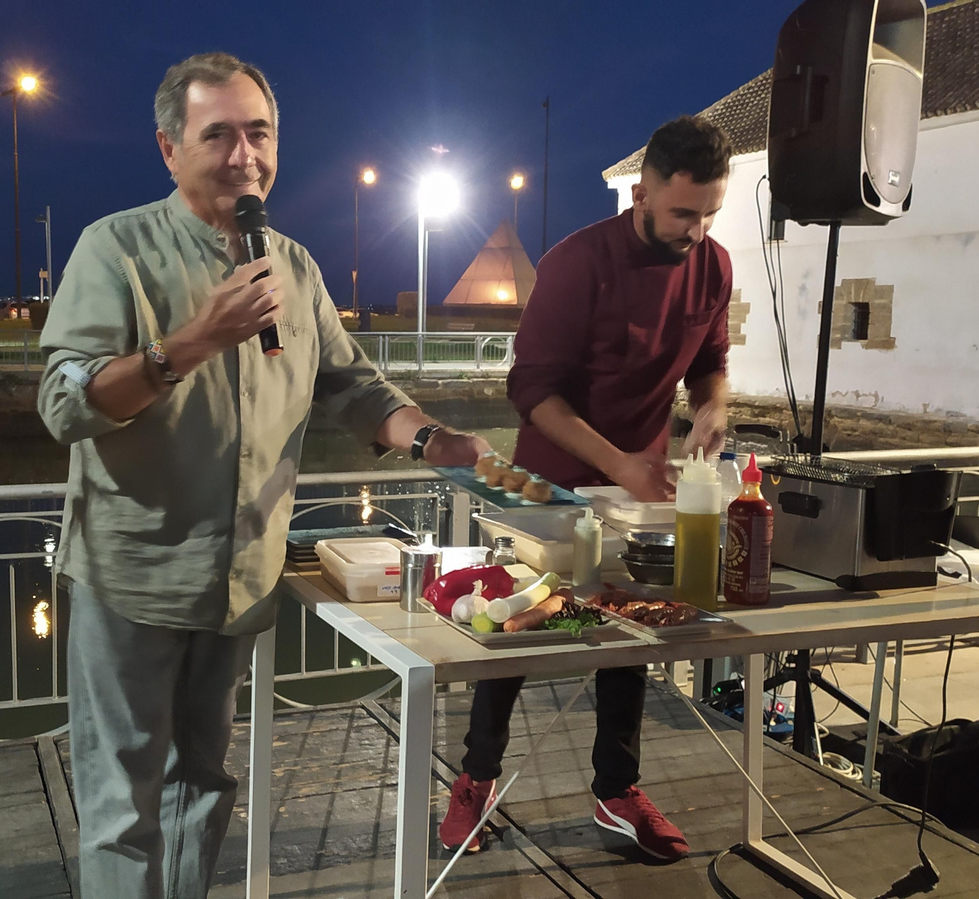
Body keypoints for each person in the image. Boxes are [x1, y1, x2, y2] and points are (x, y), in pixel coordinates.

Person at [37, 52, 490, 899]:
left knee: (202, 787)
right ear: (169, 149)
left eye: (259, 133)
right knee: (119, 803)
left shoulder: (295, 265)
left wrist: (431, 438)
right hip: (131, 572)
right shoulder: (116, 248)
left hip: (241, 576)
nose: (244, 154)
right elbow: (66, 405)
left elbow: (351, 384)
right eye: (219, 135)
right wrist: (188, 343)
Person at [438, 116, 733, 861]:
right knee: (515, 630)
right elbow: (530, 391)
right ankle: (474, 782)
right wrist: (621, 461)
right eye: (682, 214)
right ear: (642, 192)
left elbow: (711, 361)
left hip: (642, 486)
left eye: (709, 215)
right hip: (547, 491)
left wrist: (712, 408)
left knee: (630, 636)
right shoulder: (576, 263)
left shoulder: (716, 265)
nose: (696, 231)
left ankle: (616, 789)